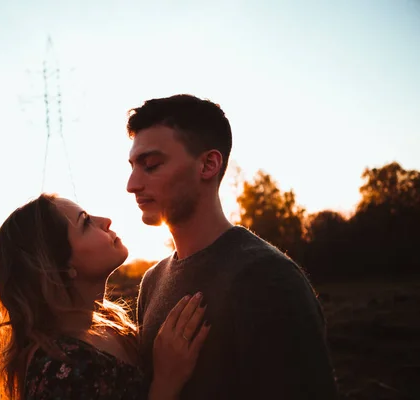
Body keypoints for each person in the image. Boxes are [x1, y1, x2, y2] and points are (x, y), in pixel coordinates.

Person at [126, 94, 338, 399]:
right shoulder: (152, 281)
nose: (132, 184)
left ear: (209, 165)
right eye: (133, 166)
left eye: (151, 165)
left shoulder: (268, 278)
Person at [0, 193, 211, 400]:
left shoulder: (111, 327)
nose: (105, 220)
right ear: (59, 267)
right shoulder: (58, 373)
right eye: (85, 222)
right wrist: (166, 383)